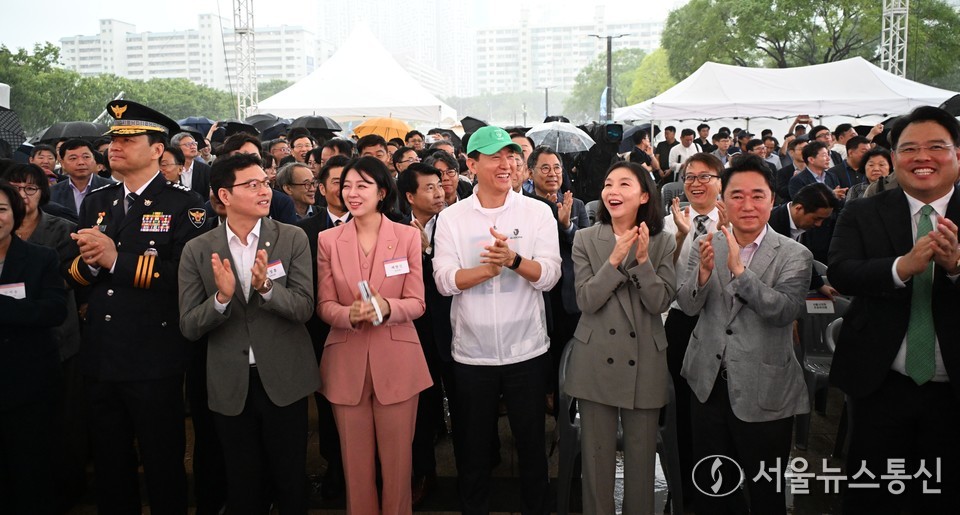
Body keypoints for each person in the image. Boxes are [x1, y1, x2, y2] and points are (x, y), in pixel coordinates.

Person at [64, 100, 205, 514]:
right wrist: (92, 265)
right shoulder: (98, 201)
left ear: (158, 149)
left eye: (128, 139)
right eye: (112, 140)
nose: (115, 147)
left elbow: (184, 277)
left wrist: (115, 260)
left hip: (153, 356)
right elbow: (75, 273)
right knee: (110, 465)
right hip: (102, 354)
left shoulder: (184, 204)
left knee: (162, 463)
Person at [828, 105, 960, 514]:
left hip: (953, 390)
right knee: (873, 493)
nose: (923, 157)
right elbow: (842, 271)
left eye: (936, 147)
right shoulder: (864, 210)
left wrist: (955, 268)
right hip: (881, 384)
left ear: (957, 153)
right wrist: (902, 267)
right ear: (893, 158)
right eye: (909, 148)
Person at [179, 152, 318, 515]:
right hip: (230, 381)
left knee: (289, 479)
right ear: (225, 196)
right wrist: (222, 299)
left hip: (284, 378)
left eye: (266, 183)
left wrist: (268, 289)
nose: (264, 191)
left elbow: (304, 308)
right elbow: (190, 325)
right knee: (243, 482)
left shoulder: (292, 238)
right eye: (252, 184)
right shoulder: (198, 249)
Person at [432, 126, 561, 514]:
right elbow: (443, 281)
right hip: (472, 356)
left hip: (527, 351)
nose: (506, 165)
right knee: (473, 453)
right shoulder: (452, 218)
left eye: (511, 157)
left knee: (531, 449)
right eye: (494, 157)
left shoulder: (537, 211)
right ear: (471, 164)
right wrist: (486, 272)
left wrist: (514, 262)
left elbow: (551, 275)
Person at [677, 154, 812, 514]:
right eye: (737, 195)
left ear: (773, 199)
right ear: (724, 200)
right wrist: (704, 275)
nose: (747, 205)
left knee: (765, 490)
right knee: (713, 486)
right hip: (707, 383)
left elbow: (783, 311)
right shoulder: (707, 242)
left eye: (757, 195)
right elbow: (687, 306)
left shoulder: (795, 254)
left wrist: (740, 272)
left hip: (764, 388)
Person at [317, 156, 432, 515]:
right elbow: (323, 304)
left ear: (382, 192)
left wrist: (387, 308)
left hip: (397, 361)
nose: (352, 193)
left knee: (399, 465)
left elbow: (417, 303)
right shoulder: (328, 240)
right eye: (346, 185)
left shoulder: (407, 236)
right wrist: (347, 314)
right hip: (346, 360)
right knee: (355, 466)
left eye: (362, 186)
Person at [563, 161, 676, 515]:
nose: (613, 191)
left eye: (625, 184)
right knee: (596, 464)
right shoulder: (584, 238)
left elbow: (660, 301)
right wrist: (612, 262)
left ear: (644, 195)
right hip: (595, 358)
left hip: (645, 360)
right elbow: (585, 301)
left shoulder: (662, 241)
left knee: (641, 463)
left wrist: (642, 262)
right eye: (609, 183)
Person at [0, 179, 68, 515]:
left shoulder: (40, 257)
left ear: (14, 213)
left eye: (0, 209)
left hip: (29, 383)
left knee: (31, 471)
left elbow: (55, 309)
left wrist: (4, 308)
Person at [662, 152, 725, 506]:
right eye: (689, 177)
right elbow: (660, 279)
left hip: (719, 321)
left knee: (716, 404)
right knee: (683, 407)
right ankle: (683, 485)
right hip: (681, 323)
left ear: (720, 182)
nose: (696, 183)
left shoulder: (732, 221)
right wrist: (679, 237)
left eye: (705, 177)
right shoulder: (670, 223)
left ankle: (719, 479)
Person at [294, 154, 351, 500]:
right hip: (321, 332)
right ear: (321, 188)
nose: (346, 191)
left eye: (354, 183)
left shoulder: (381, 224)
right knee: (329, 405)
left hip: (368, 329)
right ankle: (335, 469)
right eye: (337, 183)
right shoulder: (304, 233)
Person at [397, 163, 448, 506]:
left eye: (440, 185)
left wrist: (428, 249)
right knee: (424, 405)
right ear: (410, 197)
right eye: (429, 188)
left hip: (456, 324)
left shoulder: (455, 221)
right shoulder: (397, 230)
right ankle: (424, 472)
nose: (439, 192)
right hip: (417, 329)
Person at [768, 183, 841, 297]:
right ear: (799, 208)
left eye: (823, 220)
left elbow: (803, 257)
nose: (819, 224)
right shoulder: (770, 224)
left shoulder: (806, 225)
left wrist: (819, 285)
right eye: (817, 218)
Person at [50, 139, 115, 217]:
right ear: (63, 163)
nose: (81, 162)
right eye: (73, 158)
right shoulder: (52, 193)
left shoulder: (112, 189)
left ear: (94, 159)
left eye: (86, 157)